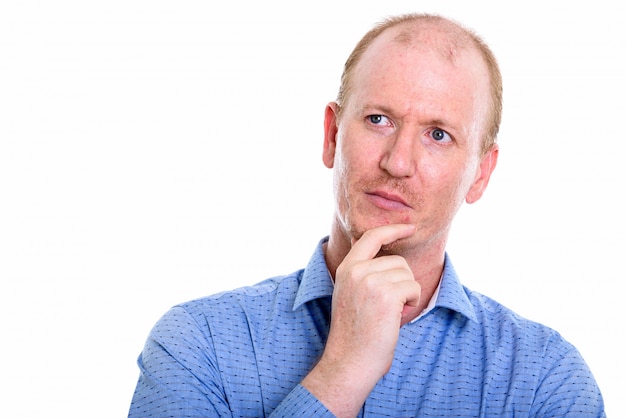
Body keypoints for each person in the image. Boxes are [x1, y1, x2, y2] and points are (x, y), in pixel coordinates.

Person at [128, 12, 605, 417]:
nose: (398, 162)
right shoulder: (197, 344)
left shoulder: (546, 380)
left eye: (438, 134)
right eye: (379, 120)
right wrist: (343, 370)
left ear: (480, 174)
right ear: (332, 135)